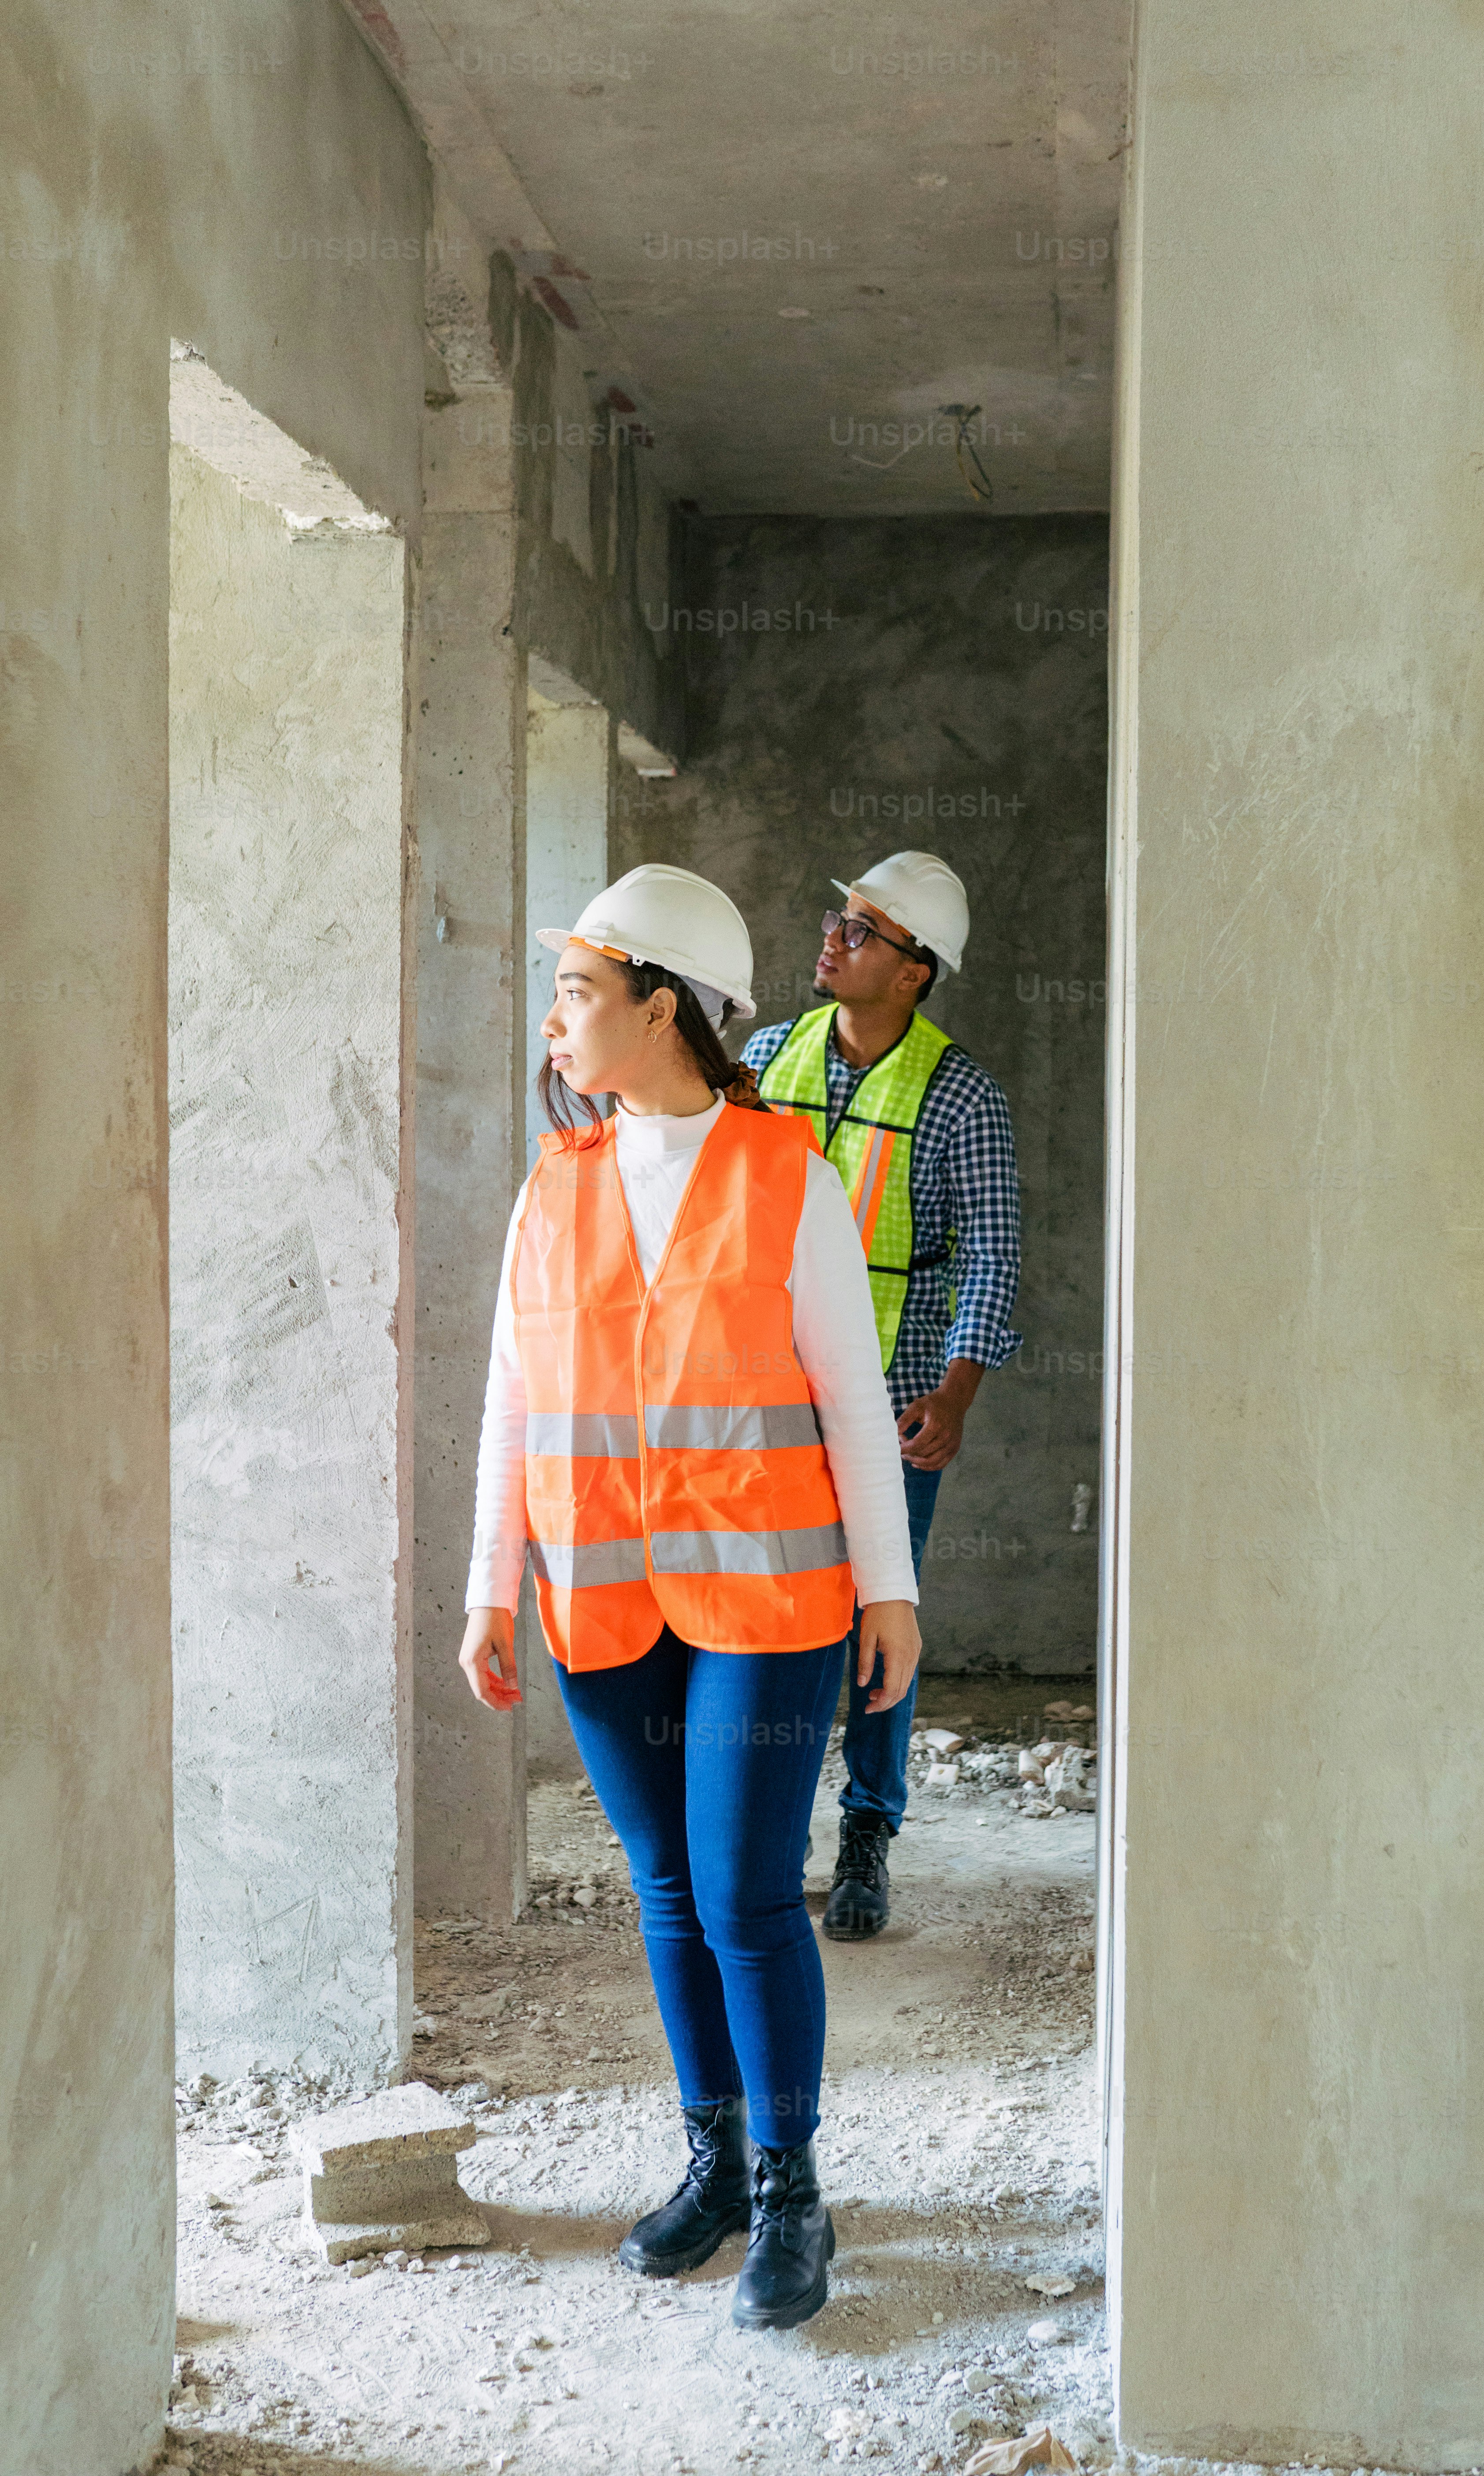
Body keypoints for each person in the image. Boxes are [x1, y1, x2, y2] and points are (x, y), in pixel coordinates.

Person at [457, 862, 920, 2332]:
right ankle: (712, 2158)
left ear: (659, 1008)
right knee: (665, 1888)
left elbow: (851, 1396)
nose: (553, 1019)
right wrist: (487, 1589)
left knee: (739, 1890)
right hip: (599, 1590)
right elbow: (511, 1403)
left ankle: (793, 2186)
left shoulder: (786, 1174)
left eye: (577, 991)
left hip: (770, 1600)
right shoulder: (557, 1182)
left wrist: (890, 1591)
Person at [743, 851, 1021, 1941]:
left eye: (862, 931)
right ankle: (764, 1827)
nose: (833, 937)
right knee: (764, 1619)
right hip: (766, 1402)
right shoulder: (767, 1060)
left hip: (891, 1412)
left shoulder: (961, 1099)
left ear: (915, 973)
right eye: (838, 919)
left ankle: (867, 1831)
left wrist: (954, 1394)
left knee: (876, 1623)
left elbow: (992, 1258)